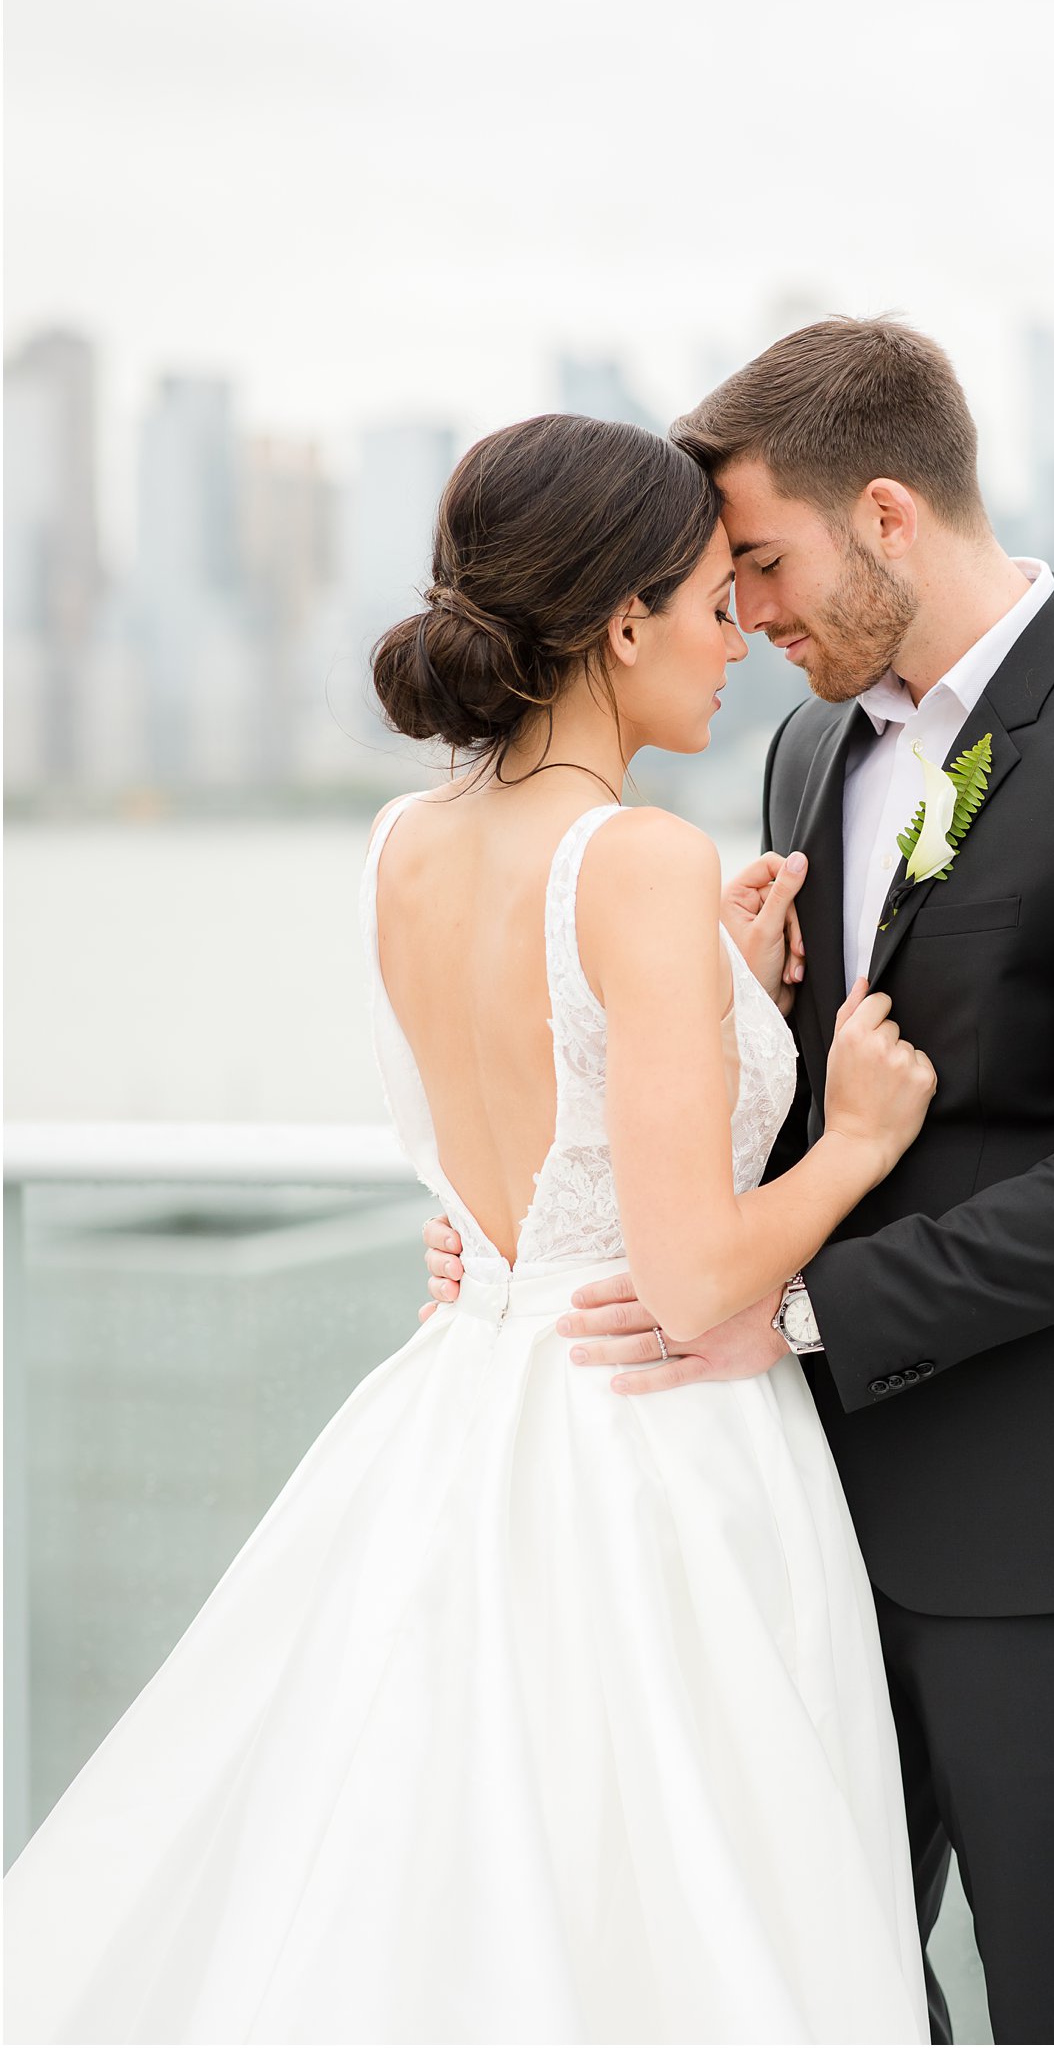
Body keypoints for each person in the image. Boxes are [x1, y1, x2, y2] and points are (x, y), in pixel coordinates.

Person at [3, 413, 937, 2045]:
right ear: (624, 619)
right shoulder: (638, 859)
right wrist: (856, 1139)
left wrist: (716, 981)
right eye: (718, 599)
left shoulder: (404, 846)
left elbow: (509, 1140)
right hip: (649, 1446)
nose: (741, 640)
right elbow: (694, 1271)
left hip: (461, 1407)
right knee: (685, 1904)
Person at [423, 319, 1054, 2044]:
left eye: (762, 566)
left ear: (887, 511)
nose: (745, 616)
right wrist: (539, 1206)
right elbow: (763, 1096)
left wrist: (788, 1311)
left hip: (1039, 1521)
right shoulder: (809, 751)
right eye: (719, 587)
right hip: (783, 1511)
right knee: (815, 1975)